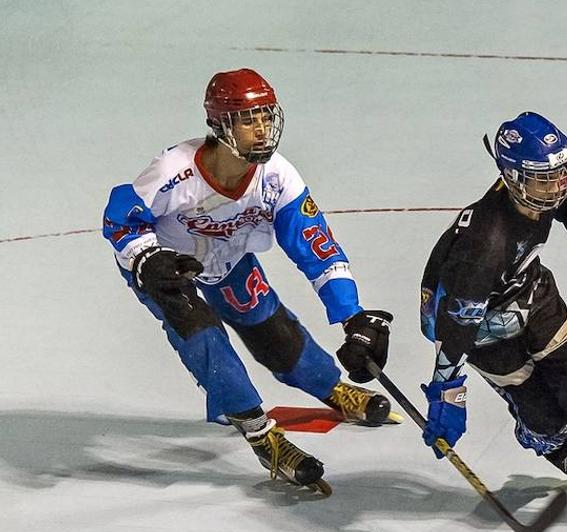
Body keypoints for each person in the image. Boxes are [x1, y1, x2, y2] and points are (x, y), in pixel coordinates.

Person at [101, 68, 395, 493]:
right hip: (167, 268)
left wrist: (352, 315)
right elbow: (120, 215)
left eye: (265, 117)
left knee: (270, 326)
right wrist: (145, 256)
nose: (261, 129)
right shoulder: (173, 171)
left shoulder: (279, 176)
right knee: (203, 336)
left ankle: (332, 388)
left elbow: (317, 246)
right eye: (247, 118)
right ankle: (259, 431)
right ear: (221, 125)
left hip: (226, 259)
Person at [417, 112, 567, 531]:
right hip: (479, 327)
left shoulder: (545, 186)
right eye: (542, 179)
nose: (556, 186)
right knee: (543, 417)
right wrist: (448, 387)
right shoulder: (485, 245)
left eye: (558, 173)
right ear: (512, 179)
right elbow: (457, 322)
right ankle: (564, 450)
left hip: (530, 293)